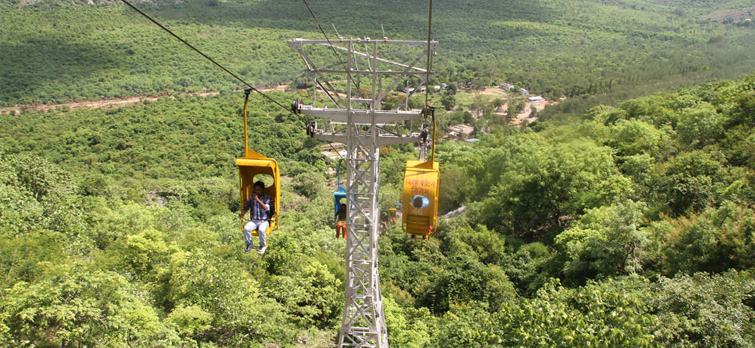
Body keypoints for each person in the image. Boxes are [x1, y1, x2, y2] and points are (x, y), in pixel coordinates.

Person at [239, 181, 273, 254]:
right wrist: (243, 213)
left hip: (264, 220)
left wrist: (257, 200)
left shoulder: (267, 198)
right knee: (246, 228)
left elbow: (266, 208)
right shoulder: (251, 197)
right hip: (254, 220)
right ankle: (249, 244)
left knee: (261, 230)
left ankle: (262, 245)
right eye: (256, 190)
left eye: (259, 190)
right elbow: (247, 206)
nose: (257, 192)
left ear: (262, 190)